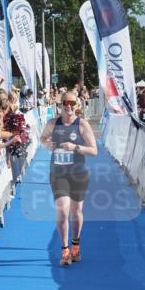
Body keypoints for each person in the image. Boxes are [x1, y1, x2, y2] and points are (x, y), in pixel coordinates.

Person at [39, 90, 98, 266]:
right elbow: (42, 138)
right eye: (66, 102)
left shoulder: (82, 125)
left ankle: (75, 245)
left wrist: (75, 147)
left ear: (77, 105)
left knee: (76, 212)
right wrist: (47, 144)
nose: (69, 106)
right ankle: (64, 250)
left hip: (78, 174)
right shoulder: (52, 123)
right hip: (58, 173)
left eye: (72, 103)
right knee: (63, 210)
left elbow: (94, 151)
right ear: (61, 104)